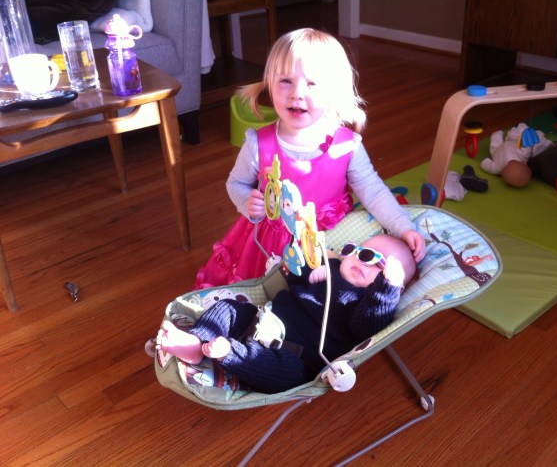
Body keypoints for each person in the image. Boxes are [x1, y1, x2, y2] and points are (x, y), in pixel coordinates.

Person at [193, 28, 425, 289]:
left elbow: (373, 192)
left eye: (312, 84)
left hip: (327, 246)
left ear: (334, 92)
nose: (296, 93)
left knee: (320, 298)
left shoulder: (346, 146)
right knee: (266, 294)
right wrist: (246, 201)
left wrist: (403, 227)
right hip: (267, 249)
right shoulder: (259, 144)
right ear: (269, 83)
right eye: (285, 81)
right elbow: (235, 183)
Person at [158, 234, 417, 394]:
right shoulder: (331, 267)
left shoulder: (368, 302)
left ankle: (229, 353)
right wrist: (303, 265)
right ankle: (196, 341)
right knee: (229, 308)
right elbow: (295, 279)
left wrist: (386, 290)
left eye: (376, 262)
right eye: (359, 251)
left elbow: (368, 326)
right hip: (261, 320)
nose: (362, 260)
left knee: (288, 374)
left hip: (297, 356)